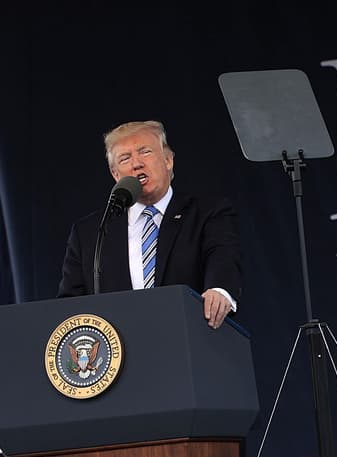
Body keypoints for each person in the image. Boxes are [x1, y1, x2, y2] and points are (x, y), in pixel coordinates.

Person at [57, 120, 241, 329]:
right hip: (118, 352)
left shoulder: (207, 212)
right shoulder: (90, 232)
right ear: (116, 175)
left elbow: (222, 257)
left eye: (145, 152)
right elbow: (70, 304)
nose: (137, 164)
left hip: (190, 338)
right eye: (125, 158)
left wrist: (219, 290)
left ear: (168, 160)